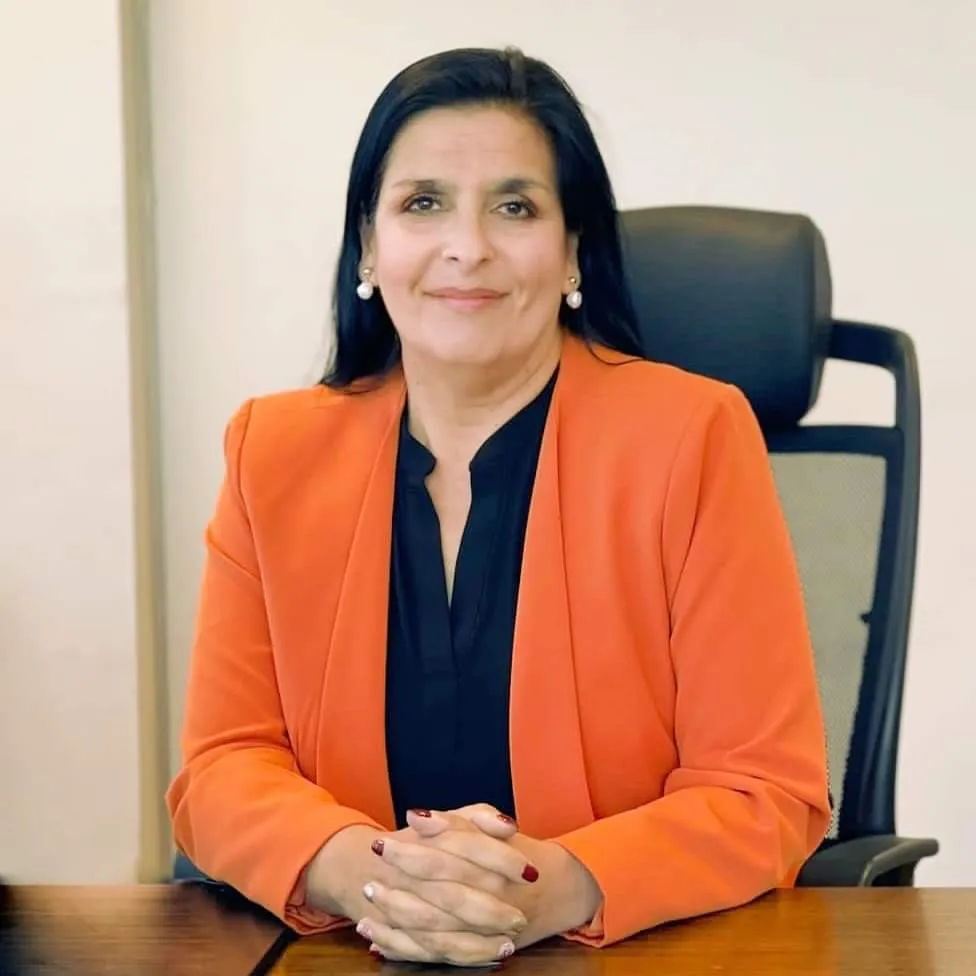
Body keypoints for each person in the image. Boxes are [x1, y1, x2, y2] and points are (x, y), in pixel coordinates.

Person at [166, 45, 831, 967]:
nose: (467, 246)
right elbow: (222, 767)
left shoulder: (693, 437)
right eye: (423, 203)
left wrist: (554, 887)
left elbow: (764, 790)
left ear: (573, 251)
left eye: (514, 207)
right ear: (369, 246)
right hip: (352, 953)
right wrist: (367, 874)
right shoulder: (272, 452)